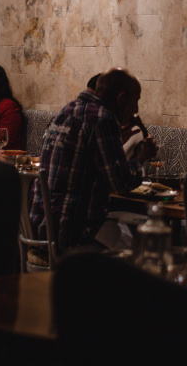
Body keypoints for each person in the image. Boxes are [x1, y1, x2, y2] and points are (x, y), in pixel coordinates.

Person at [30, 68, 158, 253]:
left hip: (40, 231)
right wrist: (141, 158)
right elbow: (121, 183)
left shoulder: (65, 111)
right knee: (148, 247)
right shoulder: (103, 119)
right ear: (121, 98)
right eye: (136, 100)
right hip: (74, 237)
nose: (136, 109)